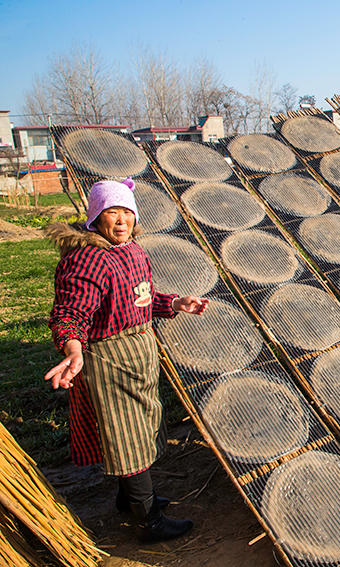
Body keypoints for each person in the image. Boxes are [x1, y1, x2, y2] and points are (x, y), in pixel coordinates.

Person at [44, 177, 209, 543]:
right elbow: (69, 313)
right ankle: (148, 520)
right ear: (95, 217)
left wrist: (175, 303)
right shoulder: (87, 260)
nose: (121, 220)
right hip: (110, 358)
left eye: (127, 212)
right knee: (126, 435)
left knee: (140, 426)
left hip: (138, 352)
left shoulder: (130, 250)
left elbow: (141, 297)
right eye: (111, 212)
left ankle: (129, 499)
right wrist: (72, 348)